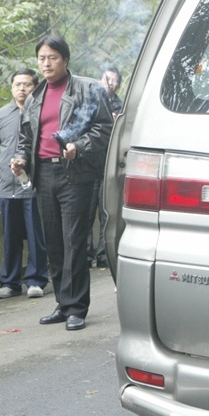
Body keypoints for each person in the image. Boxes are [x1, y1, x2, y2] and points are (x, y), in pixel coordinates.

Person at [12, 35, 113, 331]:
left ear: (65, 60)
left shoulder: (88, 89)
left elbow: (104, 129)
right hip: (42, 174)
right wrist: (19, 158)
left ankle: (77, 307)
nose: (46, 63)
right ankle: (63, 302)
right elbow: (25, 138)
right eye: (42, 58)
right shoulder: (34, 97)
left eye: (52, 57)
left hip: (74, 173)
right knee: (53, 242)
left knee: (74, 240)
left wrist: (78, 146)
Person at [0, 68, 49, 300]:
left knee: (36, 235)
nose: (22, 89)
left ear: (35, 87)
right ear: (11, 87)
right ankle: (10, 282)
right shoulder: (1, 114)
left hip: (33, 185)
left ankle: (36, 280)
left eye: (27, 84)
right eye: (17, 84)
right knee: (10, 236)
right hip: (7, 185)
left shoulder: (41, 112)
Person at [87, 66, 123, 269]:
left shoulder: (121, 106)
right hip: (89, 164)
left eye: (115, 80)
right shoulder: (90, 102)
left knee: (106, 212)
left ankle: (103, 254)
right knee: (85, 212)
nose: (111, 84)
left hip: (109, 166)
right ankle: (85, 254)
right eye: (107, 79)